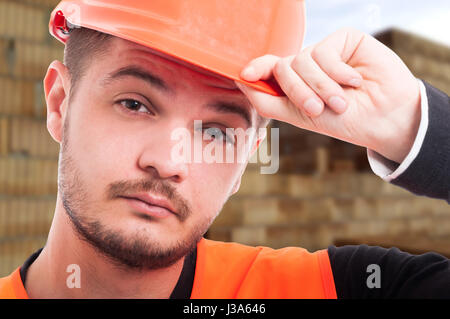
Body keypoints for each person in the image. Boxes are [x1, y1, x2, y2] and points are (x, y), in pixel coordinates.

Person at [0, 1, 449, 298]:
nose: (169, 161)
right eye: (135, 104)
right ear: (60, 103)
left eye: (215, 132)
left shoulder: (326, 290)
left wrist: (416, 128)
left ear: (245, 160)